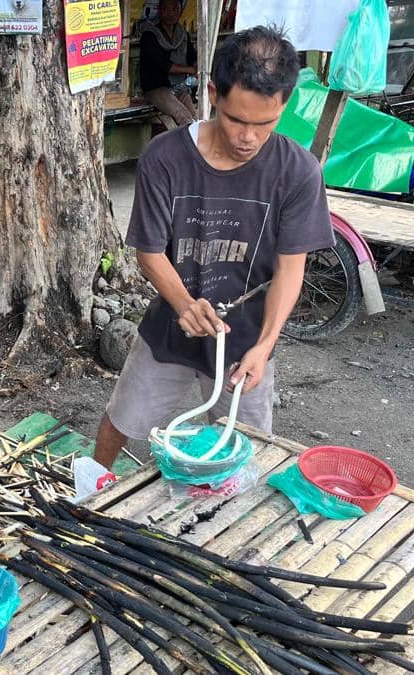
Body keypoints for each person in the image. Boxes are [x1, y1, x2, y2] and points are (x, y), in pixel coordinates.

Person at [90, 26, 333, 483]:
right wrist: (183, 304)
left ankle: (228, 522)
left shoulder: (297, 171)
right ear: (213, 93)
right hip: (171, 324)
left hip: (246, 341)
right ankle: (84, 489)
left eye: (265, 123)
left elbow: (289, 270)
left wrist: (264, 347)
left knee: (245, 449)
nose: (248, 137)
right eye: (237, 119)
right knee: (123, 418)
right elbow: (149, 250)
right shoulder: (165, 157)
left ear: (284, 105)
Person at [139, 0, 198, 128]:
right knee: (183, 116)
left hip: (179, 86)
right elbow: (165, 66)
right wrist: (191, 70)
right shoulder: (149, 35)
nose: (171, 13)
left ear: (180, 11)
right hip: (156, 88)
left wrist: (198, 68)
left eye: (174, 9)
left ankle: (199, 144)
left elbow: (192, 57)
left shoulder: (182, 34)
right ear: (159, 11)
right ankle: (190, 146)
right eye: (166, 9)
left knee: (195, 117)